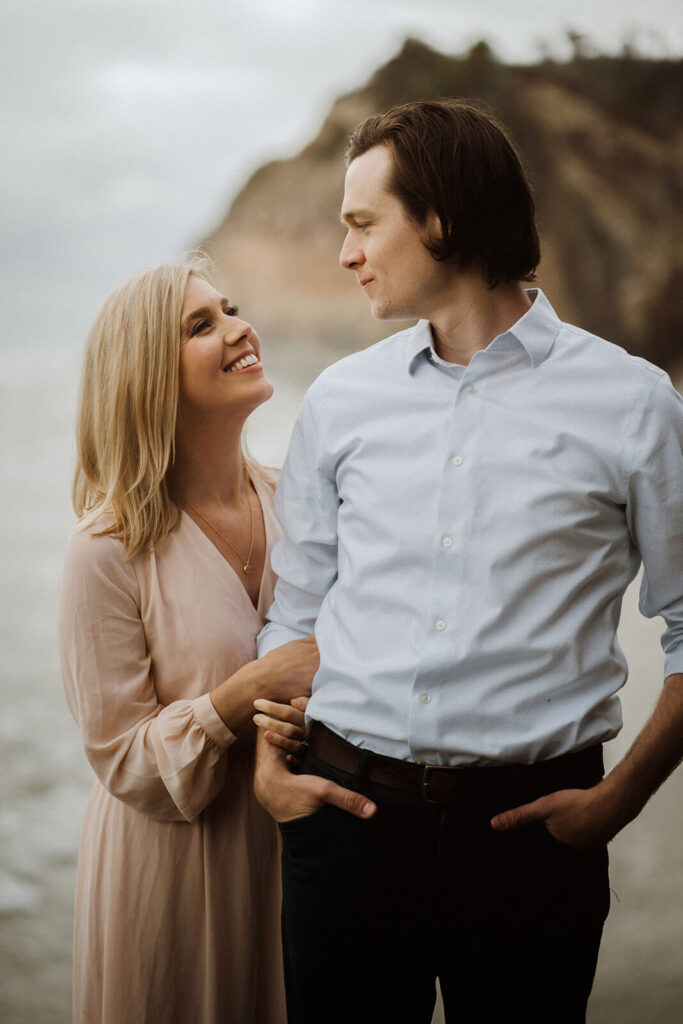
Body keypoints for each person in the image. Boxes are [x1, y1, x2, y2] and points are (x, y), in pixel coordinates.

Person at [253, 100, 683, 1024]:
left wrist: (619, 799)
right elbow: (298, 606)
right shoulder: (341, 399)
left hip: (532, 840)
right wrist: (269, 762)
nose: (345, 253)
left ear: (440, 219)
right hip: (345, 824)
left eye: (363, 223)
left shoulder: (634, 403)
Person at [57, 256, 317, 1023]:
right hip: (172, 868)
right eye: (201, 325)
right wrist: (243, 695)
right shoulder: (106, 550)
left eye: (230, 308)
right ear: (147, 377)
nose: (240, 328)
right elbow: (119, 757)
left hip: (295, 851)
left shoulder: (298, 502)